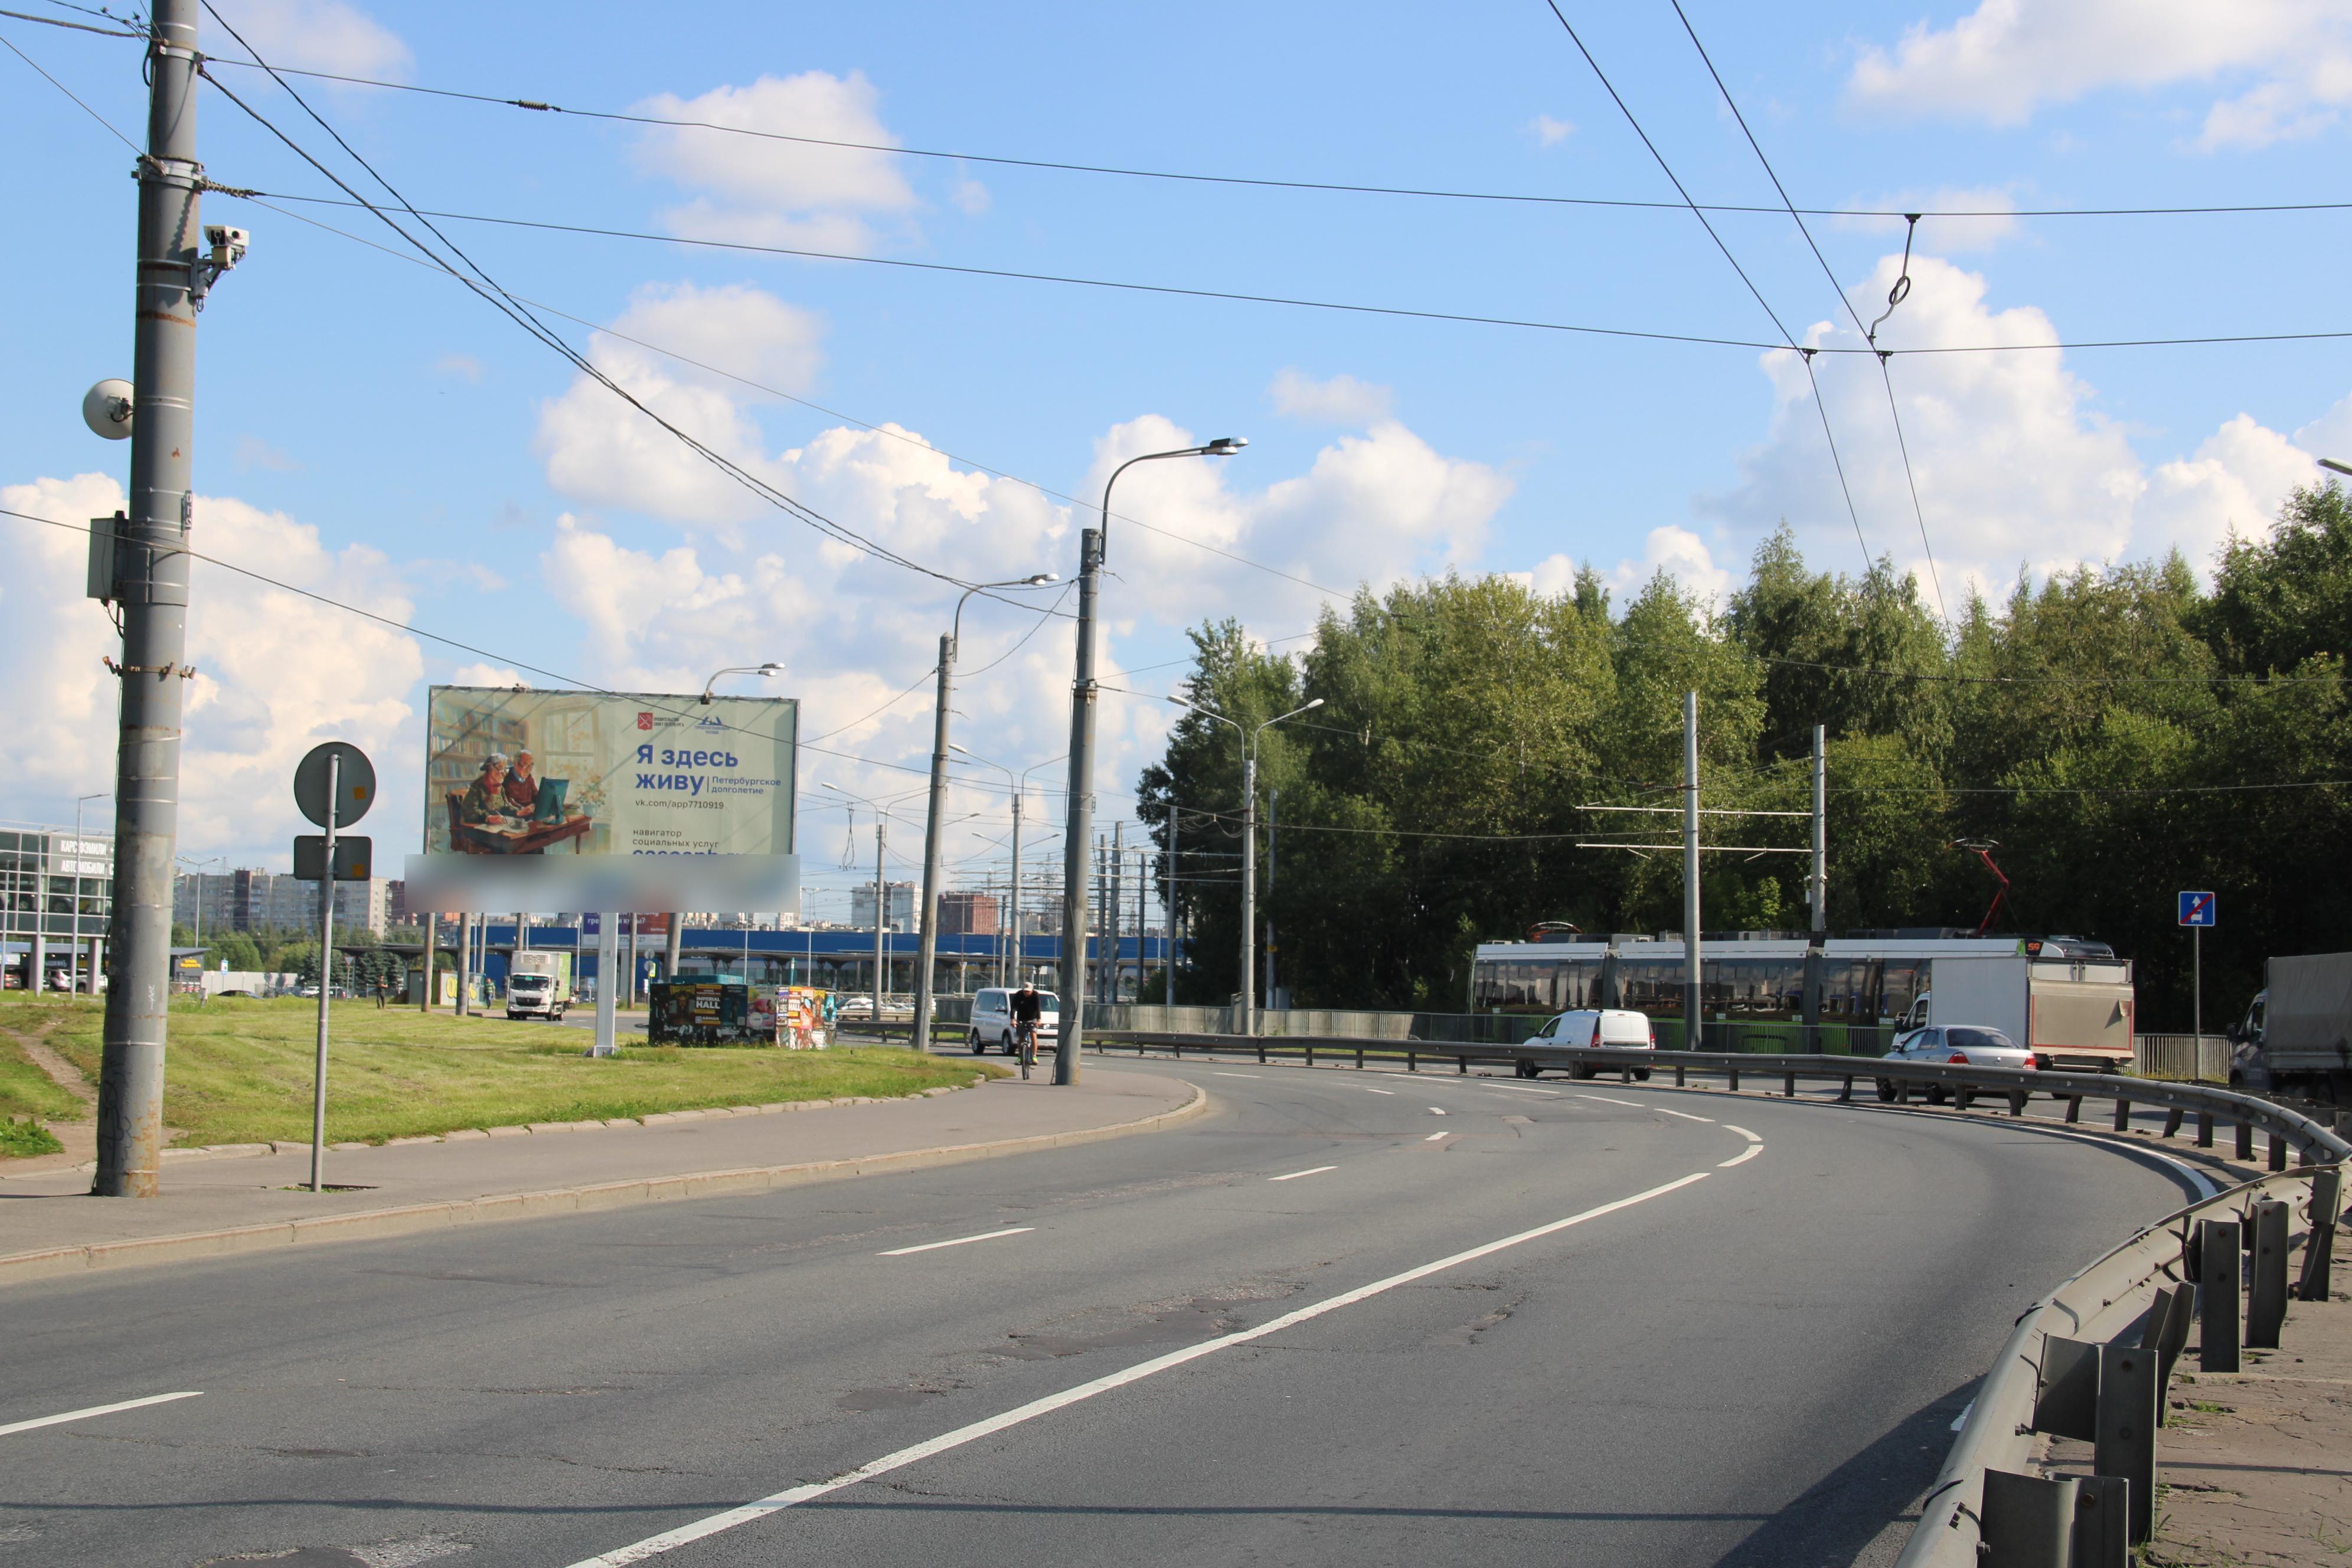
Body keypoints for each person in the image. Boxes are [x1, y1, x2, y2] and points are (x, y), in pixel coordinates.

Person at [459, 754, 512, 827]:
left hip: (498, 826)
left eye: (506, 769)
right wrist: (489, 817)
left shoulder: (500, 787)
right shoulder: (477, 786)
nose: (504, 773)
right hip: (480, 827)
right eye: (501, 769)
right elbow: (469, 811)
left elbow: (505, 806)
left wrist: (519, 812)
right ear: (490, 768)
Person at [1010, 981, 1044, 1075]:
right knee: (1021, 1038)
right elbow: (1013, 1008)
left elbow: (1038, 1008)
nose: (1027, 993)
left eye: (1028, 991)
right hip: (1021, 1018)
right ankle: (1020, 1057)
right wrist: (1013, 1019)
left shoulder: (1035, 995)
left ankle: (1034, 1056)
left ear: (1032, 991)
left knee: (1033, 1035)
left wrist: (1039, 1020)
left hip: (1032, 1019)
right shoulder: (1018, 995)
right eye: (1025, 991)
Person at [504, 749, 540, 815]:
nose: (529, 769)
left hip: (529, 813)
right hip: (515, 815)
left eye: (531, 765)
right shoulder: (506, 778)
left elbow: (535, 795)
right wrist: (522, 809)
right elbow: (507, 803)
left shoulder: (529, 777)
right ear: (515, 764)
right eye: (526, 765)